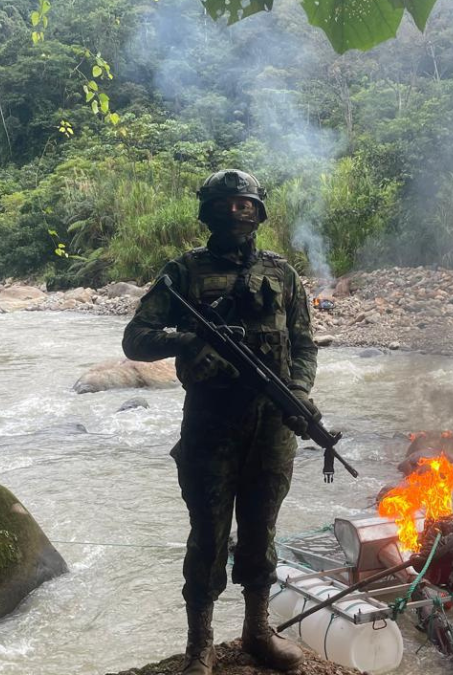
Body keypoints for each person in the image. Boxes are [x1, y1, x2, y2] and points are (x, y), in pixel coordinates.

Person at [122, 170, 319, 675]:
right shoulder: (184, 273)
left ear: (260, 211)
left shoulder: (283, 275)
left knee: (261, 533)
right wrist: (187, 340)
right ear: (209, 212)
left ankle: (257, 633)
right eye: (227, 205)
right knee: (208, 537)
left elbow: (303, 346)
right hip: (211, 426)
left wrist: (298, 392)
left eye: (246, 204)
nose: (238, 212)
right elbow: (137, 338)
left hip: (272, 426)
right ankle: (200, 647)